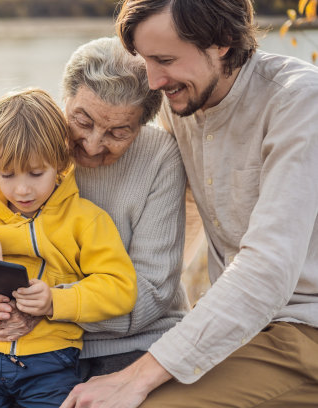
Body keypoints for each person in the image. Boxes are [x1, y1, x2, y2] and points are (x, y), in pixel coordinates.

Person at [61, 0, 318, 407]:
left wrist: (136, 377)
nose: (153, 81)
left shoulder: (299, 103)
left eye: (165, 59)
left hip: (304, 329)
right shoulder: (183, 100)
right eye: (145, 60)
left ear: (223, 42)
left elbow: (267, 269)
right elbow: (188, 212)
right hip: (245, 328)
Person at [0, 37, 189, 383]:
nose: (91, 145)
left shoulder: (160, 157)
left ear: (142, 125)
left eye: (118, 132)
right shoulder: (28, 138)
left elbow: (151, 293)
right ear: (65, 100)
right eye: (83, 121)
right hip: (28, 342)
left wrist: (49, 308)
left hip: (130, 343)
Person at [0, 88, 138, 407]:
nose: (22, 189)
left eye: (36, 173)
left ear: (60, 163)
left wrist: (56, 300)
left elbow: (120, 288)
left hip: (50, 363)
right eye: (7, 174)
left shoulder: (85, 220)